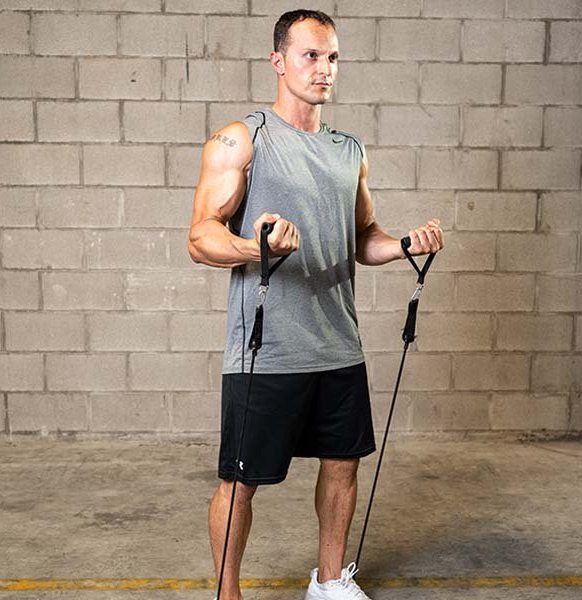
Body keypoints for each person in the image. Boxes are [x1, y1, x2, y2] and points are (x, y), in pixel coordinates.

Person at [187, 9, 444, 600]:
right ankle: (228, 594)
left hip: (338, 343)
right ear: (278, 61)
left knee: (343, 465)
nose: (323, 68)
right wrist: (257, 246)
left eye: (332, 58)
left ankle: (329, 584)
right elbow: (199, 237)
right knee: (240, 481)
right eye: (310, 55)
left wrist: (405, 245)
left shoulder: (349, 150)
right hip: (268, 349)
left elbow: (362, 239)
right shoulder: (242, 139)